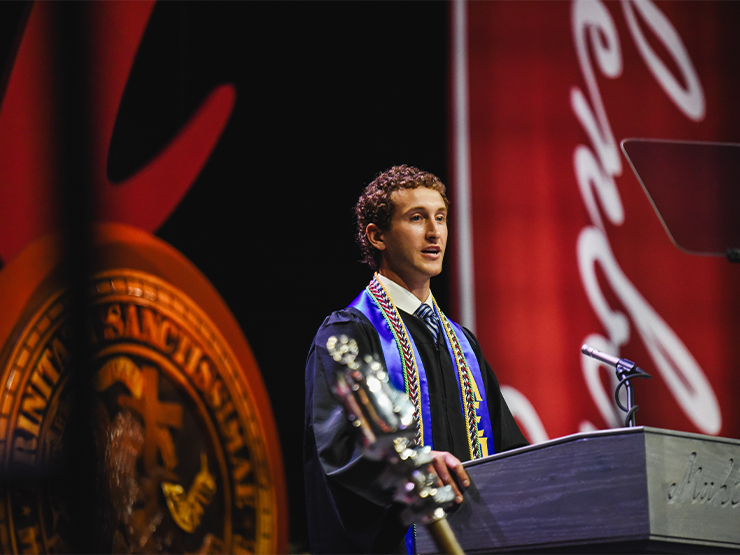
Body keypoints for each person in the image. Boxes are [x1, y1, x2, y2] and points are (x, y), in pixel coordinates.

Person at [304, 165, 527, 554]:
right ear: (377, 236)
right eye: (416, 218)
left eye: (440, 217)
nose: (434, 232)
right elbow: (337, 454)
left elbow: (509, 451)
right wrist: (415, 467)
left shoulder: (463, 343)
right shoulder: (347, 336)